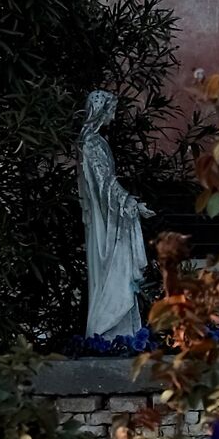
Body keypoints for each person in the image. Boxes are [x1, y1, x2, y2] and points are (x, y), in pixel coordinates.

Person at [77, 88, 147, 340]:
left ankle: (117, 335)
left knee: (111, 269)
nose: (113, 118)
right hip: (105, 220)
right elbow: (104, 184)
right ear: (101, 111)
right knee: (111, 268)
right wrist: (131, 204)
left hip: (105, 216)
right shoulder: (92, 144)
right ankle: (106, 332)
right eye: (111, 112)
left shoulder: (93, 142)